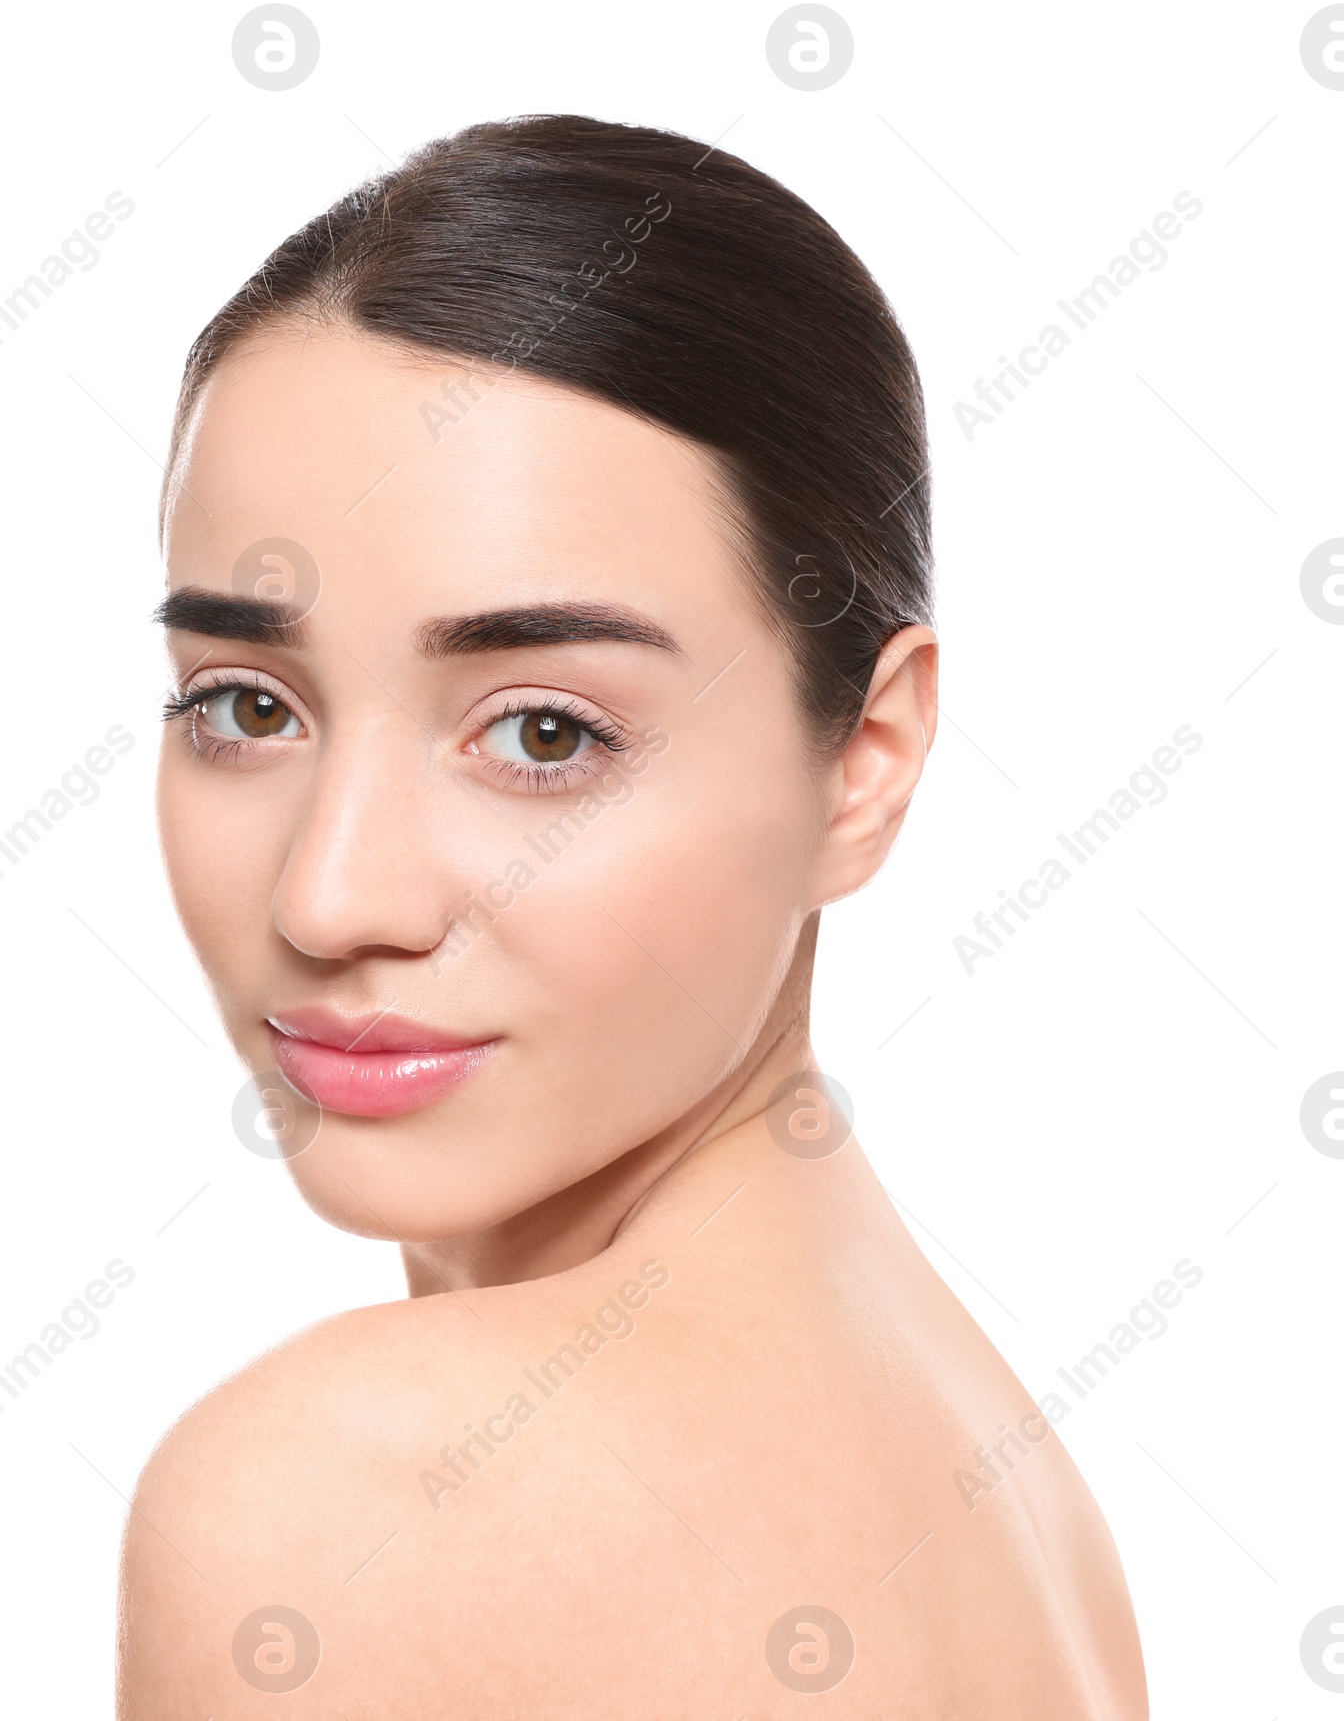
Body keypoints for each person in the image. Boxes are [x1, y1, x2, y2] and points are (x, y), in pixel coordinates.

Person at [119, 115, 1147, 1717]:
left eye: (544, 733)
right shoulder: (1002, 1493)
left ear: (864, 763)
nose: (331, 896)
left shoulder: (356, 1495)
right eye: (248, 707)